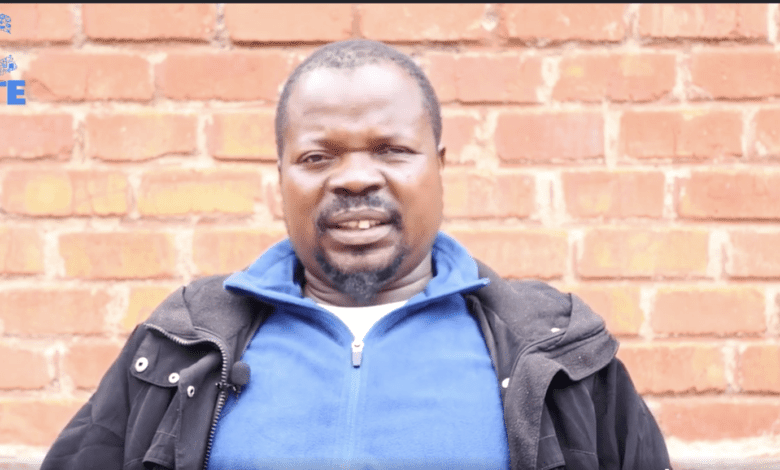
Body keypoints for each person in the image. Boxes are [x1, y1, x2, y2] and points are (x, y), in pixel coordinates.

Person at [41, 39, 671, 470]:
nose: (355, 179)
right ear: (281, 175)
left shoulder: (560, 352)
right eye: (318, 157)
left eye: (391, 150)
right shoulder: (180, 343)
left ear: (440, 167)